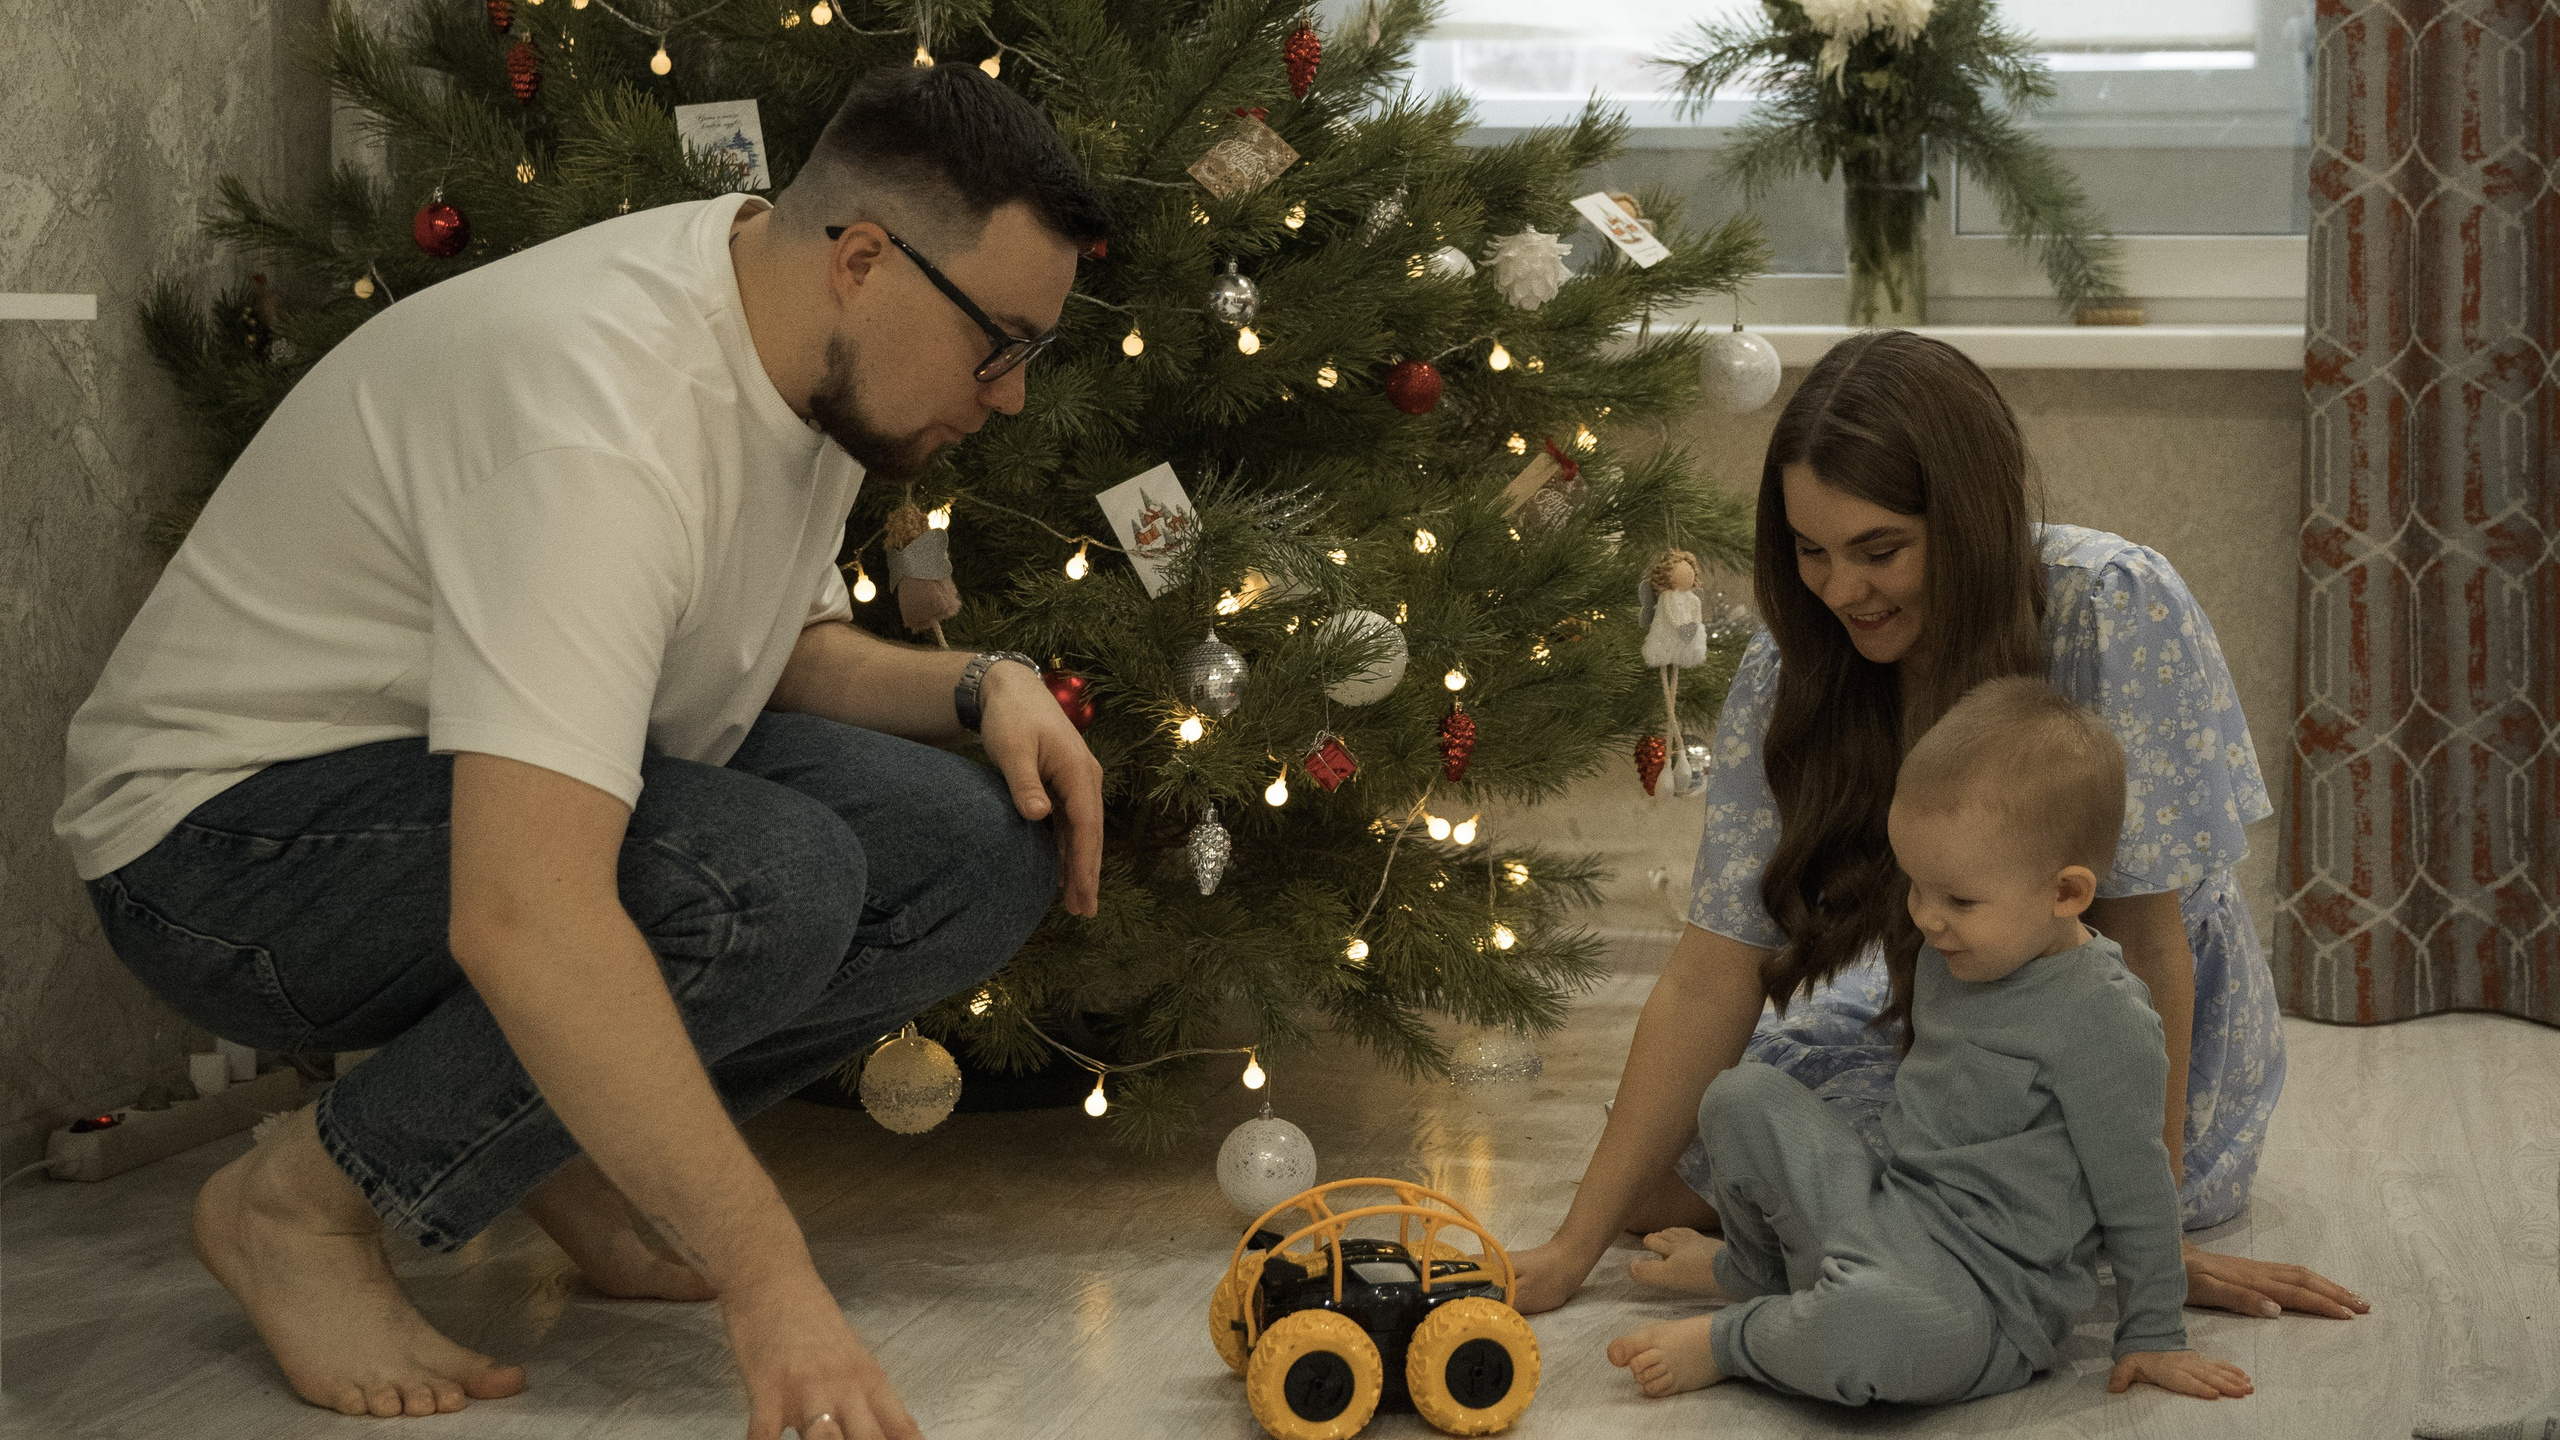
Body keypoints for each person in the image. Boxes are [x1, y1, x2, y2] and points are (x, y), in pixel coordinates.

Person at [54, 63, 1110, 1440]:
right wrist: (769, 1280)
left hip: (441, 791)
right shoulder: (598, 414)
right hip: (219, 848)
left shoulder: (800, 333)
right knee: (760, 882)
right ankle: (295, 1211)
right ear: (863, 260)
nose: (1011, 397)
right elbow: (523, 915)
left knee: (976, 850)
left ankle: (561, 1142)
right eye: (1000, 346)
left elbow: (761, 647)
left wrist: (984, 686)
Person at [1505, 329, 2370, 1328]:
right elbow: (1713, 970)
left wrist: (2150, 1243)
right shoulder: (1793, 667)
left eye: (1878, 551)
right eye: (1810, 552)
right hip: (1951, 990)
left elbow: (2147, 942)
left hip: (2118, 1028)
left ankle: (1851, 1262)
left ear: (1967, 522)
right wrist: (1569, 1251)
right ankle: (1879, 1252)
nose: (1839, 591)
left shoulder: (2113, 605)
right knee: (1668, 1175)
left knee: (1940, 1206)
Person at [1606, 676, 2255, 1406]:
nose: (1927, 918)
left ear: (2067, 894)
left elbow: (2140, 1193)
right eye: (1916, 886)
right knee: (1738, 1095)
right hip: (1888, 1208)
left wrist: (2153, 1334)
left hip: (1984, 1301)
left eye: (1959, 900)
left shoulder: (2103, 1018)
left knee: (1871, 1334)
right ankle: (1759, 1272)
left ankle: (1743, 1338)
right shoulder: (1957, 955)